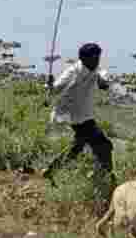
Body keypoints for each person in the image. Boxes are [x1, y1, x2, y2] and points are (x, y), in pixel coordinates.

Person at [42, 42, 116, 211]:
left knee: (77, 148)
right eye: (94, 58)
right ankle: (108, 180)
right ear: (83, 59)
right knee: (105, 145)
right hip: (78, 117)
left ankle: (51, 170)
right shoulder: (73, 72)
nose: (97, 61)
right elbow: (56, 88)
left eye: (98, 57)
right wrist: (50, 85)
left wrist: (104, 81)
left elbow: (103, 83)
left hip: (85, 115)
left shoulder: (94, 69)